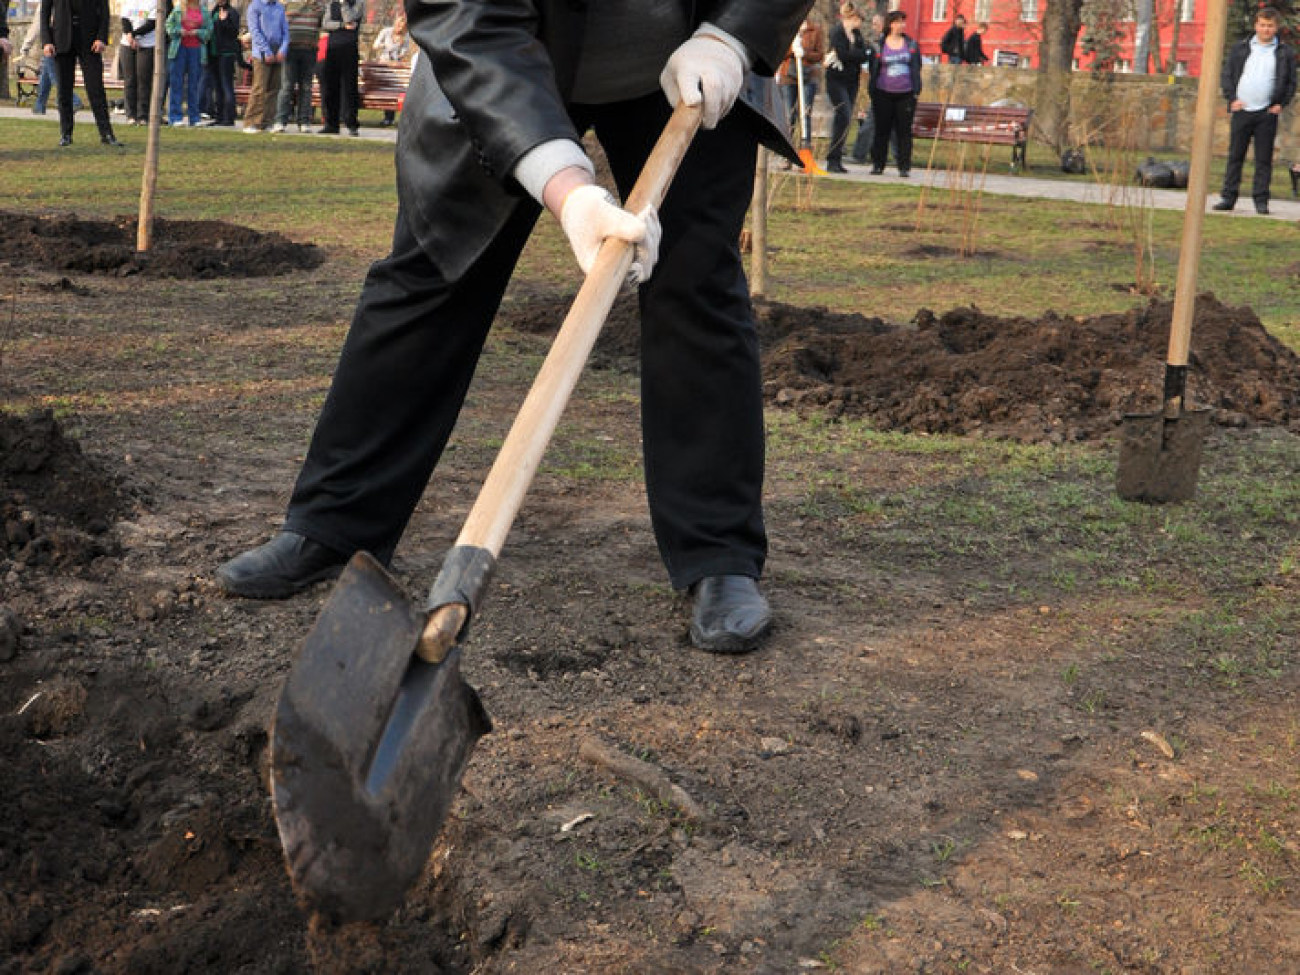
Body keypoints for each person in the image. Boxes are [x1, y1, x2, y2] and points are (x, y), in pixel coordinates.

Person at [215, 1, 813, 656]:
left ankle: (719, 552)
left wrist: (733, 35)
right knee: (436, 267)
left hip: (694, 61)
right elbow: (468, 19)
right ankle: (335, 521)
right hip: (505, 65)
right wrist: (572, 193)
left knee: (694, 281)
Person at [1214, 6, 1296, 216]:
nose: (1266, 29)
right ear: (1255, 26)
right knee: (1235, 156)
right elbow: (1228, 75)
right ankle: (1228, 197)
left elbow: (1290, 82)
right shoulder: (1241, 48)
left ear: (1276, 28)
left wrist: (1281, 104)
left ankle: (1261, 200)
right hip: (1242, 110)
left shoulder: (1284, 53)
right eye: (1262, 25)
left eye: (1270, 26)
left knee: (1263, 159)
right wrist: (1232, 99)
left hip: (1266, 113)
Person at [40, 0, 123, 147]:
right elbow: (45, 12)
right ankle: (66, 134)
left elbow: (104, 11)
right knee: (64, 91)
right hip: (62, 39)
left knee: (96, 89)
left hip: (90, 40)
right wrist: (46, 41)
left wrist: (101, 37)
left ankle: (107, 134)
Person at [868, 9, 920, 177]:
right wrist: (873, 90)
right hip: (883, 92)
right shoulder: (879, 45)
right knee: (881, 130)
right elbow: (873, 68)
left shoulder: (911, 44)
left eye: (903, 22)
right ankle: (878, 165)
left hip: (905, 93)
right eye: (898, 22)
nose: (901, 25)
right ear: (890, 24)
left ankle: (904, 166)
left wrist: (916, 89)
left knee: (904, 132)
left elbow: (916, 66)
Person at [823, 2, 868, 173]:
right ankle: (832, 158)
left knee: (845, 119)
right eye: (858, 19)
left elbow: (863, 55)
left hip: (852, 80)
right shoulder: (837, 32)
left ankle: (837, 158)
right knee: (844, 113)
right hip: (836, 79)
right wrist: (853, 56)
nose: (860, 23)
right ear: (851, 17)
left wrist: (852, 56)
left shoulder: (857, 35)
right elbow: (842, 53)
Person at [776, 16, 826, 151]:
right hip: (788, 77)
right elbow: (777, 52)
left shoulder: (814, 30)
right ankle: (786, 151)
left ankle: (805, 150)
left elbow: (820, 55)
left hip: (808, 77)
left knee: (805, 114)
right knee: (788, 115)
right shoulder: (787, 28)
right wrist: (791, 49)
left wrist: (804, 54)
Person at [317, 0, 363, 135]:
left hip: (349, 48)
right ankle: (331, 123)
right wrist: (342, 25)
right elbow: (325, 24)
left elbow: (351, 19)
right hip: (332, 48)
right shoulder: (332, 4)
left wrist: (344, 5)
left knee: (349, 87)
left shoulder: (357, 4)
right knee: (329, 87)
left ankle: (351, 123)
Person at [275, 0, 321, 132]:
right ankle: (280, 121)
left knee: (306, 87)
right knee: (287, 86)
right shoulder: (286, 4)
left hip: (309, 49)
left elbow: (324, 21)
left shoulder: (318, 6)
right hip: (290, 49)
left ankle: (304, 121)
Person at [243, 0, 288, 132]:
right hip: (262, 52)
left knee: (274, 89)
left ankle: (266, 121)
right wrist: (266, 51)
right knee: (259, 87)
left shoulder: (279, 7)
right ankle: (251, 122)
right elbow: (255, 31)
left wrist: (283, 49)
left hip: (278, 49)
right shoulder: (255, 6)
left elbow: (285, 31)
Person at [165, 0, 211, 126]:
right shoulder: (178, 9)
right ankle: (175, 117)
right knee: (176, 83)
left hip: (196, 50)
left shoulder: (204, 12)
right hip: (179, 49)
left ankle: (194, 117)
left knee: (194, 85)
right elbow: (169, 26)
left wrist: (198, 32)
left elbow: (208, 31)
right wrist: (179, 31)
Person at [119, 0, 158, 125]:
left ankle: (143, 115)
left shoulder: (154, 3)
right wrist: (130, 37)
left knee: (144, 80)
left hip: (147, 44)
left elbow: (152, 24)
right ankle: (131, 114)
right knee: (130, 79)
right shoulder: (129, 2)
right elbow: (125, 20)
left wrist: (134, 35)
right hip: (127, 44)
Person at [369, 9, 410, 127]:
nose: (399, 29)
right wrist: (385, 46)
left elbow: (403, 52)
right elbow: (375, 46)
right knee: (383, 90)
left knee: (393, 91)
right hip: (383, 64)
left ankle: (389, 118)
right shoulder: (385, 32)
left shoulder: (405, 37)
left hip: (395, 65)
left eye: (401, 27)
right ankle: (386, 117)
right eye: (397, 25)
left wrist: (399, 55)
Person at [207, 0, 242, 126]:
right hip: (214, 54)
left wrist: (224, 21)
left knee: (226, 85)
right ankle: (219, 116)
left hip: (226, 54)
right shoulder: (214, 12)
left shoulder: (232, 12)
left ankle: (229, 117)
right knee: (217, 87)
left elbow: (234, 33)